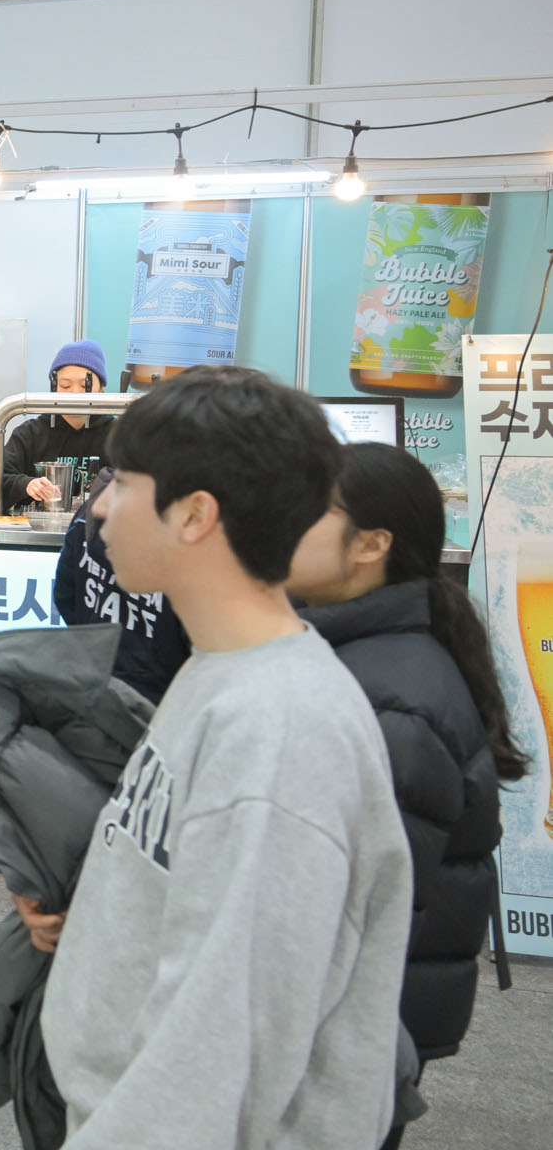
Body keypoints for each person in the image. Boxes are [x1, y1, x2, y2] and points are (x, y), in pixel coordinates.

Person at [34, 368, 414, 1150]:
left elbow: (209, 1064)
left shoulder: (280, 733)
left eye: (122, 484)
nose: (98, 507)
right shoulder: (219, 671)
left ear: (195, 514)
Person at [285, 444, 528, 1145]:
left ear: (372, 544)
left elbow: (349, 904)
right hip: (352, 1020)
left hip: (342, 1028)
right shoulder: (360, 656)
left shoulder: (388, 697)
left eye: (307, 510)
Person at [53, 467, 191, 704]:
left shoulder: (90, 510)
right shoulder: (179, 530)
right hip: (159, 700)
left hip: (91, 686)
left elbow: (65, 595)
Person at [0, 340, 113, 512]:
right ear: (53, 386)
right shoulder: (30, 434)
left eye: (85, 385)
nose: (75, 393)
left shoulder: (118, 435)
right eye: (65, 385)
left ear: (101, 388)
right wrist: (27, 484)